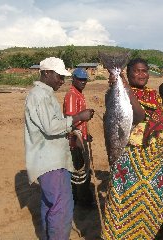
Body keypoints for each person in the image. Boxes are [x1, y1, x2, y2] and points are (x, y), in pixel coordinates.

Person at [24, 57, 94, 240]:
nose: (62, 81)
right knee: (61, 207)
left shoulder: (45, 95)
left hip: (51, 159)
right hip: (51, 161)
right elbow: (50, 127)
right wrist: (79, 117)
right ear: (46, 73)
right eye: (59, 76)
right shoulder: (39, 96)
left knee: (50, 204)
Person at [102, 58, 163, 239]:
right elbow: (139, 115)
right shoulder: (115, 93)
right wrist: (122, 86)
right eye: (137, 71)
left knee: (150, 205)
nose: (142, 75)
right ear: (128, 73)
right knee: (124, 202)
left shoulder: (154, 95)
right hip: (130, 160)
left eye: (145, 71)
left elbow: (162, 123)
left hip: (154, 164)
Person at [63, 68, 93, 207]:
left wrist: (86, 135)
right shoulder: (71, 95)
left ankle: (80, 199)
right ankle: (83, 202)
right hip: (76, 141)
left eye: (84, 79)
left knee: (82, 171)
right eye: (80, 79)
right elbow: (70, 120)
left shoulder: (79, 94)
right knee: (80, 174)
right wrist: (78, 140)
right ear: (73, 79)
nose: (83, 82)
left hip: (81, 138)